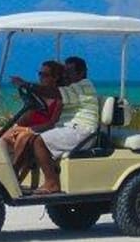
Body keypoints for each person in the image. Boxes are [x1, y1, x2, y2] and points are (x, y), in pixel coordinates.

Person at [10, 55, 98, 194]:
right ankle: (15, 179)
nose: (65, 75)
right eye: (65, 72)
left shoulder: (83, 86)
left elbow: (54, 93)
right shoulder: (72, 88)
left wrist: (26, 84)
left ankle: (52, 183)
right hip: (71, 128)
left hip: (82, 130)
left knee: (39, 141)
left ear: (81, 73)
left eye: (69, 72)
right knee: (29, 139)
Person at [1, 60, 64, 180]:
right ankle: (2, 169)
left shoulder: (58, 96)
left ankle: (14, 174)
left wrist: (26, 129)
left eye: (45, 75)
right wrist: (16, 126)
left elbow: (52, 123)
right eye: (40, 74)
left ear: (55, 78)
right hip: (32, 126)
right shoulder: (37, 93)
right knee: (4, 133)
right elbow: (29, 113)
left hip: (43, 130)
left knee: (23, 137)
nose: (41, 78)